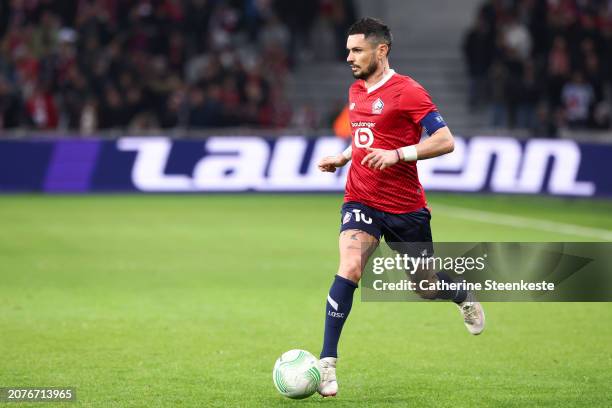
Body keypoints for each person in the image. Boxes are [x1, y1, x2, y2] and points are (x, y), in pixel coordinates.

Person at [316, 17, 485, 398]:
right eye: (347, 50)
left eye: (356, 50)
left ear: (382, 50)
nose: (349, 57)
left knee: (424, 286)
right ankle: (327, 364)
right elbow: (364, 138)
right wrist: (344, 158)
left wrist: (398, 155)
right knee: (350, 265)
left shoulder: (408, 91)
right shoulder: (356, 90)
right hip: (360, 199)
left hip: (406, 208)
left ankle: (461, 295)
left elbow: (445, 140)